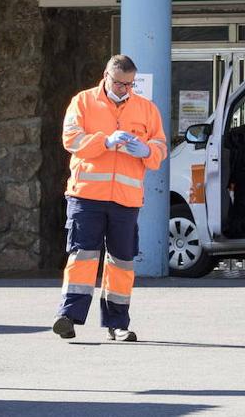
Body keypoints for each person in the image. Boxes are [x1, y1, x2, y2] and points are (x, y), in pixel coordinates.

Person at [53, 54, 167, 342]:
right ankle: (67, 317)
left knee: (121, 262)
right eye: (119, 83)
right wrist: (105, 141)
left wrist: (147, 151)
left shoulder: (146, 109)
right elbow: (71, 139)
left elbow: (160, 146)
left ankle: (117, 324)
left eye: (129, 84)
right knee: (82, 256)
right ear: (105, 76)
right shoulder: (83, 102)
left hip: (126, 198)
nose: (124, 89)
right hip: (87, 195)